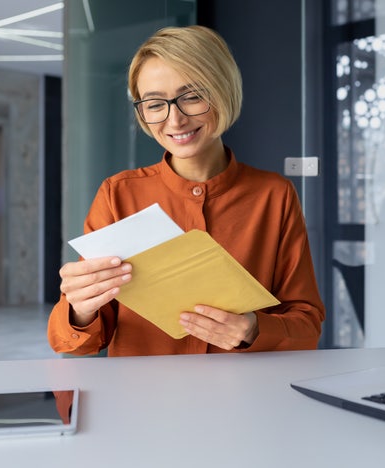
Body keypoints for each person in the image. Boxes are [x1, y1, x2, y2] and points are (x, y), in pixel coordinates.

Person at [47, 25, 325, 356]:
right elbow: (77, 343)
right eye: (154, 104)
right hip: (144, 398)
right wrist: (81, 308)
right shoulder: (117, 194)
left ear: (223, 92)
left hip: (242, 398)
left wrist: (253, 329)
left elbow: (307, 326)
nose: (174, 120)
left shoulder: (274, 195)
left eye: (192, 97)